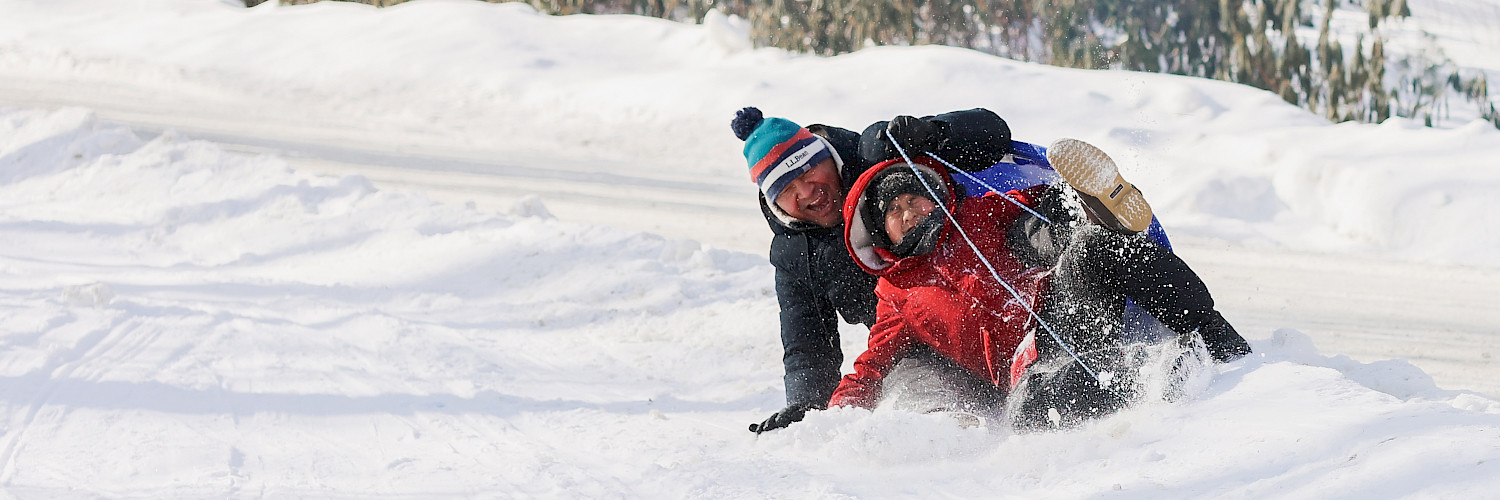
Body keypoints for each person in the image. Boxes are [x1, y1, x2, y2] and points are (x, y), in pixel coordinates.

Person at [824, 139, 1252, 430]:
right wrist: (832, 420)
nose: (910, 211)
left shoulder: (976, 215)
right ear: (880, 232)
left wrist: (1074, 203)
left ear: (931, 195)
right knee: (1032, 410)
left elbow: (1038, 203)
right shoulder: (895, 296)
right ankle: (1151, 375)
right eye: (895, 210)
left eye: (913, 197)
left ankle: (1217, 337)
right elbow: (871, 365)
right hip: (1025, 369)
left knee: (1094, 247)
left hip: (1063, 314)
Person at [729, 107, 1015, 434]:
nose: (807, 192)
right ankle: (943, 429)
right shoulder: (794, 254)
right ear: (775, 202)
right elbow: (806, 340)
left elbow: (993, 133)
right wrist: (806, 404)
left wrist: (933, 133)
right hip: (922, 344)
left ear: (829, 158)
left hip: (997, 294)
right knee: (902, 377)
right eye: (788, 190)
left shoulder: (876, 151)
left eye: (809, 173)